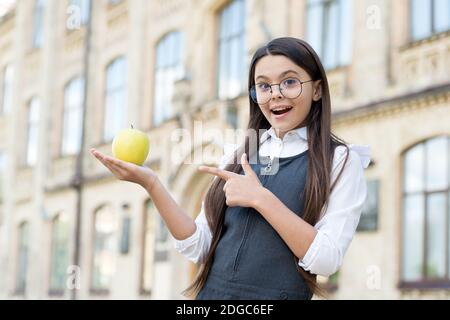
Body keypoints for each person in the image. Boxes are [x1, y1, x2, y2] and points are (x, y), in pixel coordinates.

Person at [90, 37, 371, 300]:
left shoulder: (341, 162)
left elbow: (326, 258)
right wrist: (151, 184)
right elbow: (198, 244)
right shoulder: (239, 153)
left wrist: (260, 198)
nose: (275, 95)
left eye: (289, 82)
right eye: (263, 85)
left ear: (318, 89)